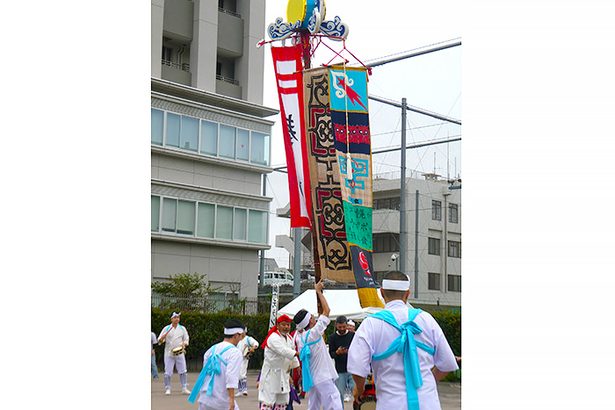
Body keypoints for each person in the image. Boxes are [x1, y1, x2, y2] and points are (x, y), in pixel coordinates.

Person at [347, 271, 459, 410]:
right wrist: (427, 381)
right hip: (427, 403)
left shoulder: (371, 324)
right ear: (407, 294)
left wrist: (359, 388)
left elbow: (357, 367)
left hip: (391, 404)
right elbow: (447, 363)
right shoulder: (427, 320)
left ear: (381, 293)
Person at [293, 280, 342, 410]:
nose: (315, 318)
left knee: (313, 406)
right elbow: (327, 310)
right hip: (322, 376)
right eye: (313, 317)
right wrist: (318, 291)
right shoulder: (313, 333)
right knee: (334, 401)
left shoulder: (301, 337)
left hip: (313, 378)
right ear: (310, 320)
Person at [188, 319, 245, 410]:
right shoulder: (235, 353)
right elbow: (231, 376)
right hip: (221, 401)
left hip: (205, 399)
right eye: (241, 336)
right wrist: (231, 400)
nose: (241, 339)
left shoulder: (211, 350)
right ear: (235, 335)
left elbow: (205, 374)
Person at [258, 314, 300, 410]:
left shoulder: (289, 338)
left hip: (283, 374)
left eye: (288, 325)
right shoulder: (273, 337)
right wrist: (297, 353)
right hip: (271, 374)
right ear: (278, 325)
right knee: (268, 401)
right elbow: (283, 350)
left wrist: (297, 366)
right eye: (283, 325)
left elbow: (292, 353)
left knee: (282, 401)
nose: (286, 327)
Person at [158, 312, 191, 395]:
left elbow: (186, 339)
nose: (177, 319)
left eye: (178, 317)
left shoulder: (182, 328)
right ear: (171, 319)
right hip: (169, 353)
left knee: (183, 370)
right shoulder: (166, 328)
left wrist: (184, 343)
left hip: (180, 352)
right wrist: (162, 339)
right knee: (168, 371)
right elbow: (159, 341)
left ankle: (184, 387)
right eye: (175, 317)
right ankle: (167, 388)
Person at [328, 315, 355, 405]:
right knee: (339, 395)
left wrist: (350, 351)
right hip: (340, 370)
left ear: (347, 325)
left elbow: (358, 350)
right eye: (340, 327)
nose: (342, 329)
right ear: (336, 326)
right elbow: (331, 354)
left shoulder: (353, 335)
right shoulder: (332, 337)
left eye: (344, 326)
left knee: (357, 393)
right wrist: (337, 352)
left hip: (353, 369)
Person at [236, 329, 259, 396]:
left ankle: (244, 389)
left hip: (244, 358)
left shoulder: (248, 339)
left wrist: (253, 348)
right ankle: (240, 390)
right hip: (236, 358)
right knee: (237, 374)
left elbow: (256, 344)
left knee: (242, 373)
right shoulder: (237, 339)